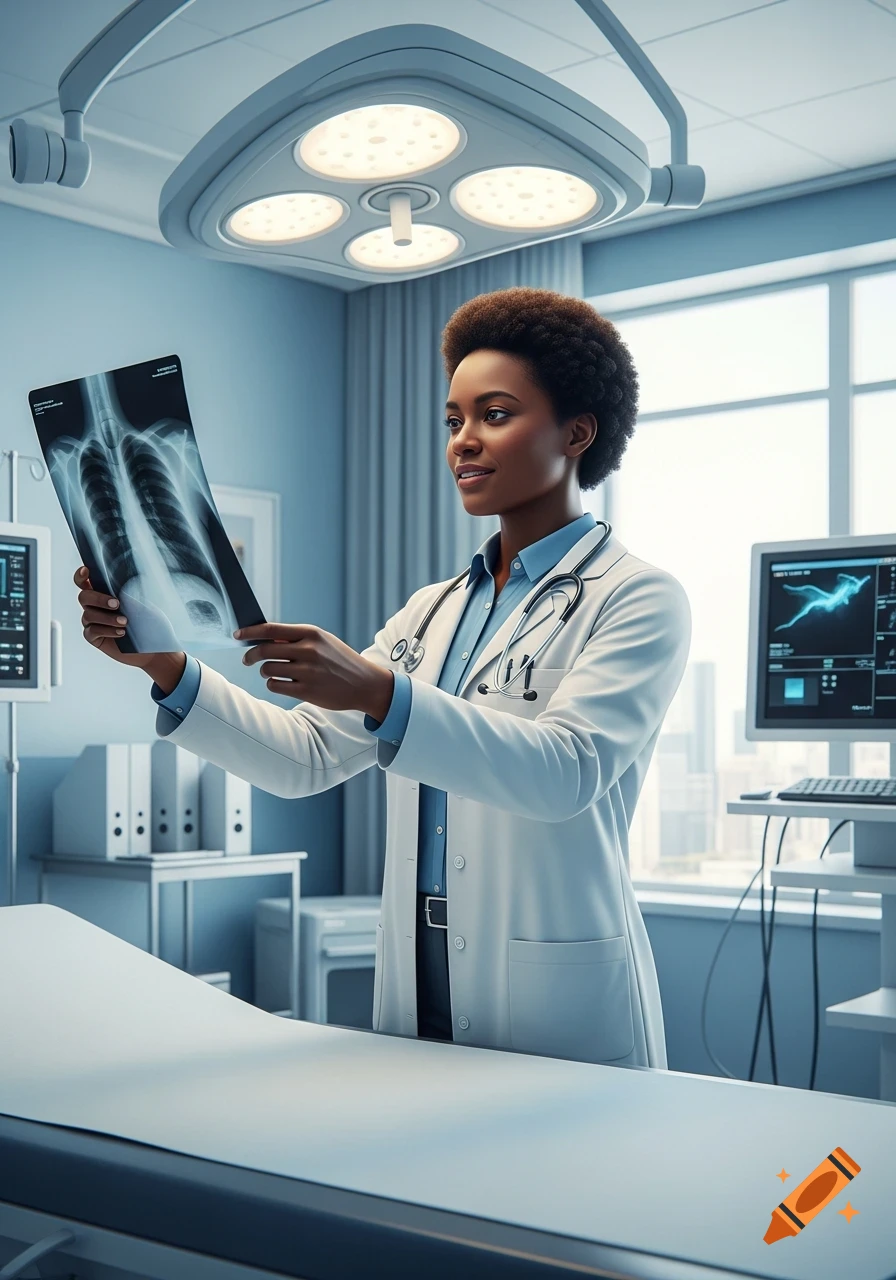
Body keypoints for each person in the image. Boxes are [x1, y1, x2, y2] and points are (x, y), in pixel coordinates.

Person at [75, 286, 690, 1070]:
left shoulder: (637, 596)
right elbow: (305, 759)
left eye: (494, 414)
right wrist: (164, 664)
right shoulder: (430, 613)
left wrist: (377, 693)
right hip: (418, 981)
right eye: (453, 419)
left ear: (577, 432)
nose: (463, 441)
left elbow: (565, 772)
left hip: (553, 995)